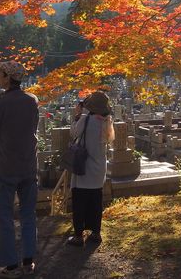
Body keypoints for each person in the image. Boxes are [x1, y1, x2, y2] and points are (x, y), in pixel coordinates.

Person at [0, 61, 39, 278]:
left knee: (4, 215)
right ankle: (29, 260)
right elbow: (32, 128)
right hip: (28, 164)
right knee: (28, 213)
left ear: (7, 77)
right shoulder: (32, 101)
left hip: (5, 166)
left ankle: (10, 264)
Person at [67, 91, 115, 247]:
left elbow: (73, 133)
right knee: (95, 201)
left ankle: (78, 235)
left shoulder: (86, 119)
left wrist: (78, 115)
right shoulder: (106, 121)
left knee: (80, 201)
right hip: (99, 167)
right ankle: (95, 233)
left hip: (84, 166)